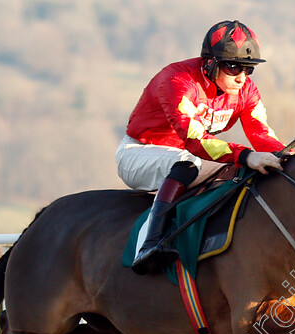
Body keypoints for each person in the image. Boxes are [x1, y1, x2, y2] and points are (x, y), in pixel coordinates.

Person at [116, 20, 286, 275]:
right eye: (232, 66)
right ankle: (150, 244)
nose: (241, 77)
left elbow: (261, 132)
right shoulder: (177, 81)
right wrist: (246, 154)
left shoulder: (246, 90)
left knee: (239, 172)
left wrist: (288, 156)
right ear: (209, 62)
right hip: (139, 153)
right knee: (191, 162)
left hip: (187, 155)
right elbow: (195, 139)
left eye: (248, 69)